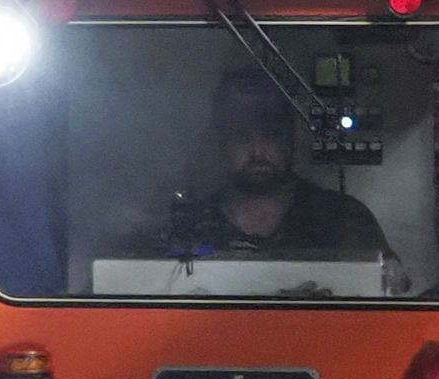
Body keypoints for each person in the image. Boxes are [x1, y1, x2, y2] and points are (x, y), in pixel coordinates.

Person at [133, 69, 394, 269]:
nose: (257, 151)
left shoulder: (342, 219)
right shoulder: (187, 226)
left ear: (292, 138)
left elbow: (385, 290)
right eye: (241, 136)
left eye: (271, 134)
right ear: (221, 142)